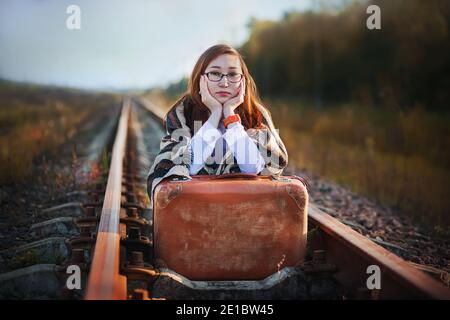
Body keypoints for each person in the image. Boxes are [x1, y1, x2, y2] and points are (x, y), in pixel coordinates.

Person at [147, 44, 288, 206]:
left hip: (246, 205)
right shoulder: (182, 113)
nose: (224, 83)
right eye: (215, 73)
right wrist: (214, 116)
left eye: (233, 74)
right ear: (201, 78)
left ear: (243, 81)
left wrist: (229, 114)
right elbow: (186, 168)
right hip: (195, 205)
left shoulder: (255, 114)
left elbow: (254, 170)